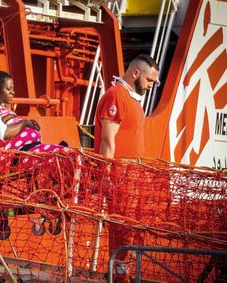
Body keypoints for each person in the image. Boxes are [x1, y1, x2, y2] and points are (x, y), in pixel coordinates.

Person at [94, 54, 159, 282]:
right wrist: (106, 175)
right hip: (121, 174)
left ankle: (125, 273)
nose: (151, 86)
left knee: (133, 227)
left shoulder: (131, 99)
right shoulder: (116, 96)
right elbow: (107, 141)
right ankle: (118, 276)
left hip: (134, 174)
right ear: (136, 74)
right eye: (149, 81)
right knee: (122, 227)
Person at [0, 69, 66, 158]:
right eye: (9, 89)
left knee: (65, 154)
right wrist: (24, 123)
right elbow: (1, 133)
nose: (13, 92)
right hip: (14, 157)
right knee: (63, 155)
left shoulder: (2, 109)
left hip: (28, 150)